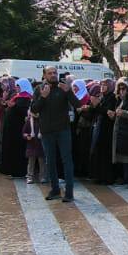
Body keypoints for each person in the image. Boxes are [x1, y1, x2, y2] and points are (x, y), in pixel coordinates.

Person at [36, 69, 77, 202]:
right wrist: (43, 97)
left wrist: (68, 91)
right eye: (50, 73)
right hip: (47, 131)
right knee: (50, 161)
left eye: (55, 72)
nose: (53, 75)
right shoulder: (39, 89)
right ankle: (55, 190)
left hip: (63, 130)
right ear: (44, 75)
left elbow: (78, 104)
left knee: (67, 160)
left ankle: (69, 192)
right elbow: (34, 109)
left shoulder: (63, 87)